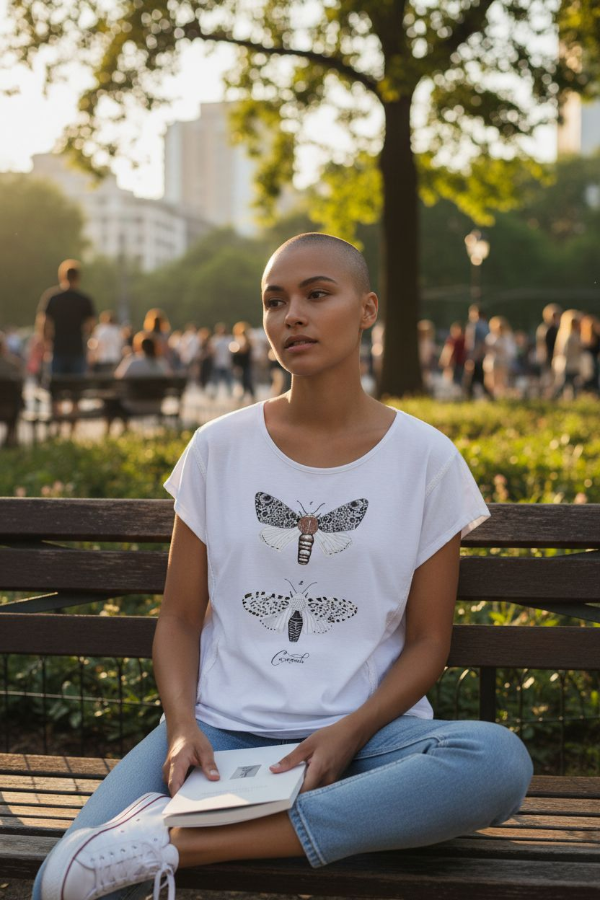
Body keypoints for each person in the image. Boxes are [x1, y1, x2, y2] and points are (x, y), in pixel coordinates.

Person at [37, 233, 533, 900]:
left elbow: (427, 642)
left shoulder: (426, 459)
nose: (292, 315)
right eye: (275, 302)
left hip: (369, 743)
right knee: (61, 880)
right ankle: (237, 832)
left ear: (367, 309)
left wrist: (347, 734)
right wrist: (182, 729)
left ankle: (176, 844)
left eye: (317, 294)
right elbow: (179, 618)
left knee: (497, 762)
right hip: (220, 733)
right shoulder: (217, 447)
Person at [37, 259, 96, 378]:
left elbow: (44, 323)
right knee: (77, 386)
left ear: (62, 276)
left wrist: (46, 342)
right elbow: (91, 326)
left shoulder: (53, 298)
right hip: (77, 349)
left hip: (58, 348)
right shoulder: (84, 300)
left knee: (56, 385)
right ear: (78, 278)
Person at [89, 311, 124, 375]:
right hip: (115, 358)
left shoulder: (100, 329)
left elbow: (95, 344)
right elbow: (121, 344)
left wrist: (93, 355)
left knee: (103, 376)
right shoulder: (117, 330)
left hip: (102, 358)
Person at [231, 321, 255, 401]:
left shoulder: (247, 340)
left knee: (246, 379)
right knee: (243, 380)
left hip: (245, 363)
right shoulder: (240, 340)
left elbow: (244, 350)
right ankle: (246, 394)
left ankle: (248, 395)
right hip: (241, 363)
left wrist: (236, 349)